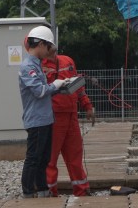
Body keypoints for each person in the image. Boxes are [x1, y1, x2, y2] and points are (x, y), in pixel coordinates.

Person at [18, 25, 67, 198]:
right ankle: (29, 192)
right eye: (48, 48)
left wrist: (62, 86)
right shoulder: (27, 67)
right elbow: (39, 91)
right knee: (34, 158)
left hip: (45, 119)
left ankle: (43, 189)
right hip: (37, 120)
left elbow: (45, 89)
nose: (49, 52)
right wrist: (56, 84)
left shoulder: (36, 65)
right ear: (39, 44)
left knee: (44, 158)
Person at [42, 52, 94, 197]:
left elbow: (78, 87)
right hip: (53, 117)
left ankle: (82, 189)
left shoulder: (67, 61)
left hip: (71, 115)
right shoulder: (39, 65)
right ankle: (49, 191)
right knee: (50, 158)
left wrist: (87, 105)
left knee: (75, 156)